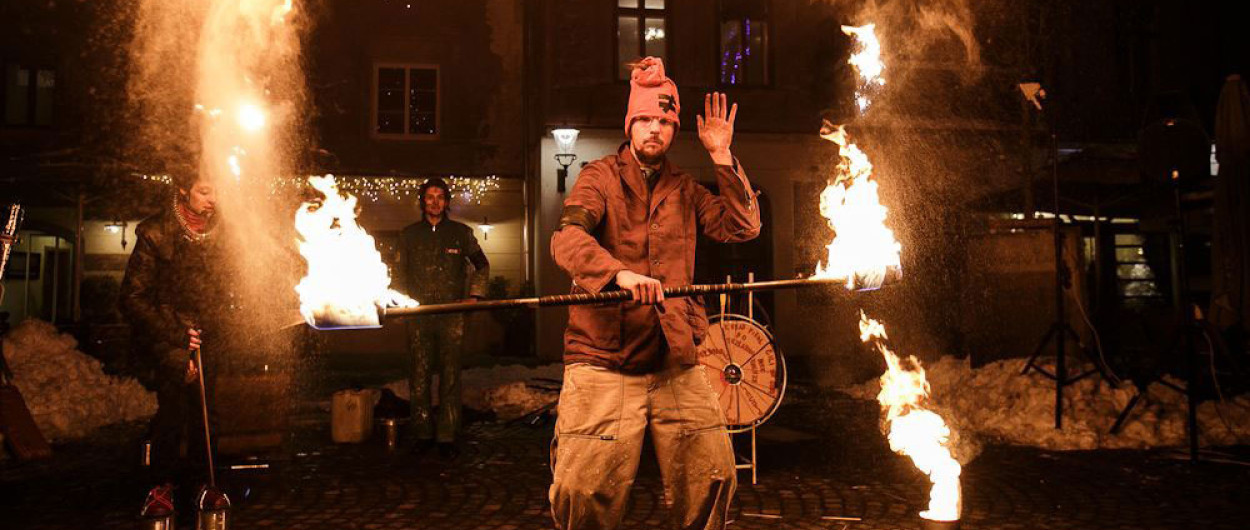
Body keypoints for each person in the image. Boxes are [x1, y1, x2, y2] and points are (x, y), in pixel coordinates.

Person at [548, 57, 760, 530]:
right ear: (630, 124)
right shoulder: (599, 177)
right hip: (604, 358)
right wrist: (619, 275)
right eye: (644, 119)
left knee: (713, 476)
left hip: (673, 356)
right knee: (582, 490)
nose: (654, 129)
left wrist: (722, 157)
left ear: (673, 130)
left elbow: (743, 227)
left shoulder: (686, 188)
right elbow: (567, 239)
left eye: (664, 122)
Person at [120, 173, 229, 519]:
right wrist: (176, 335)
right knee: (172, 413)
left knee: (206, 415)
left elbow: (225, 289)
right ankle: (160, 487)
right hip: (166, 337)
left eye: (216, 191)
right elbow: (132, 298)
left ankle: (203, 484)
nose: (213, 199)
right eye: (204, 191)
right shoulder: (156, 232)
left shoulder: (221, 231)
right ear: (183, 190)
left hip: (208, 337)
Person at [399, 177, 490, 458]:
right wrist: (400, 304)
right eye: (430, 197)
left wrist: (474, 296)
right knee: (419, 374)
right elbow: (398, 273)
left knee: (451, 375)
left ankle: (447, 436)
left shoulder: (461, 234)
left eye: (440, 197)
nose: (435, 202)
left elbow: (482, 265)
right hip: (418, 316)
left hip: (451, 315)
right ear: (422, 201)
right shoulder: (409, 235)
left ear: (447, 202)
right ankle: (422, 433)